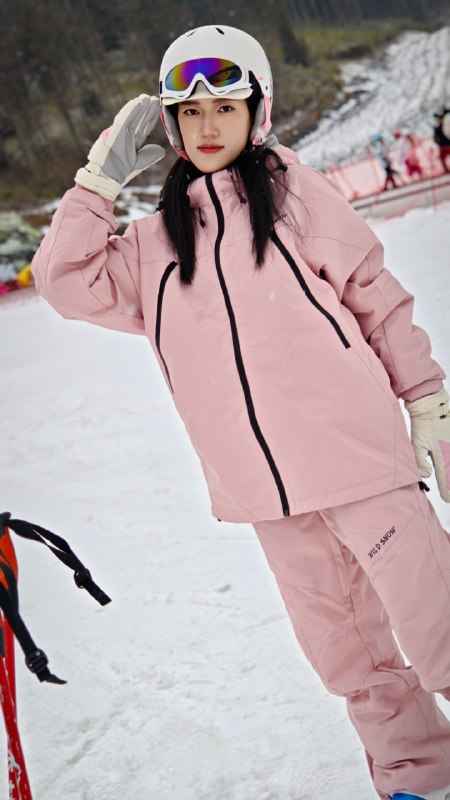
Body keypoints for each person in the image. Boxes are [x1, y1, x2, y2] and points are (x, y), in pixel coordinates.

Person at [31, 24, 450, 800]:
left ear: (258, 112)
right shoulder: (152, 245)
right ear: (170, 126)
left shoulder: (294, 194)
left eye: (225, 106)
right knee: (351, 659)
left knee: (439, 628)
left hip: (360, 464)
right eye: (190, 113)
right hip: (268, 497)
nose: (208, 125)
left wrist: (427, 401)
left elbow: (375, 298)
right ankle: (418, 776)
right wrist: (97, 183)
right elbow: (63, 281)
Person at [433, 108, 450, 172]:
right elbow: (435, 138)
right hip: (442, 146)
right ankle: (446, 169)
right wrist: (438, 142)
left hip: (448, 143)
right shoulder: (437, 128)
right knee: (442, 158)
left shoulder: (446, 125)